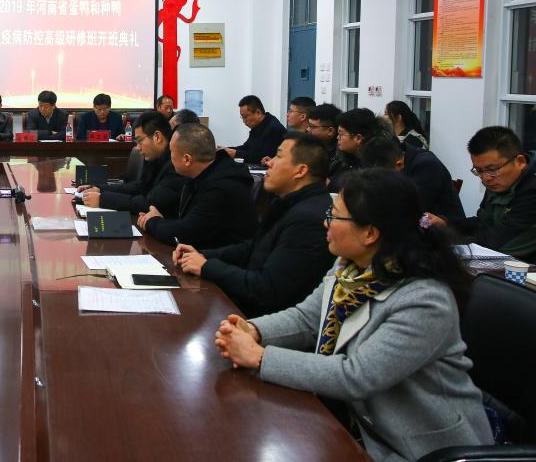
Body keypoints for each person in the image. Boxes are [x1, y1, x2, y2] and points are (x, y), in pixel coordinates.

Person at [213, 169, 491, 461]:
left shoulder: (424, 299)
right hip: (356, 424)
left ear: (370, 233)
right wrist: (252, 330)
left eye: (334, 216)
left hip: (417, 448)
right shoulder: (350, 268)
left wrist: (260, 358)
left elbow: (357, 375)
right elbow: (307, 319)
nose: (325, 222)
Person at [173, 133, 335, 317]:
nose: (270, 163)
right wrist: (202, 256)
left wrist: (207, 266)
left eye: (278, 156)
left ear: (300, 171)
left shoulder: (308, 220)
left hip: (264, 320)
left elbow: (267, 289)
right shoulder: (289, 204)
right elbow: (254, 248)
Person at [138, 123, 256, 247]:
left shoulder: (221, 187)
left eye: (171, 151)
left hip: (222, 255)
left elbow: (184, 235)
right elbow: (188, 220)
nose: (169, 156)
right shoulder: (202, 173)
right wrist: (160, 218)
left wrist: (151, 221)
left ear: (187, 159)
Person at [439, 126, 536, 261]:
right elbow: (483, 223)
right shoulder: (499, 181)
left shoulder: (532, 189)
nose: (485, 178)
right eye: (479, 171)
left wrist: (445, 242)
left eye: (492, 169)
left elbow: (498, 241)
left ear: (520, 162)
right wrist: (445, 223)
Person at [80, 111, 185, 216]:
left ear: (157, 137)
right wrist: (100, 189)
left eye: (140, 141)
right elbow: (139, 187)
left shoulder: (176, 165)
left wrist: (103, 199)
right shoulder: (155, 158)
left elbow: (149, 204)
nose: (138, 148)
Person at [360, 136, 465, 223]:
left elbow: (408, 212)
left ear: (399, 164)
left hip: (445, 232)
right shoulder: (401, 159)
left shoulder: (426, 166)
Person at [329, 108, 383, 190]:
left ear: (358, 138)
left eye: (341, 134)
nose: (337, 137)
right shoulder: (342, 162)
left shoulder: (374, 170)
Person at [224, 95, 286, 163]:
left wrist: (236, 153)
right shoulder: (257, 126)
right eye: (242, 117)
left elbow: (262, 157)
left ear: (258, 113)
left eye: (245, 117)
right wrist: (225, 150)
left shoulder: (274, 129)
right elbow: (246, 147)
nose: (244, 121)